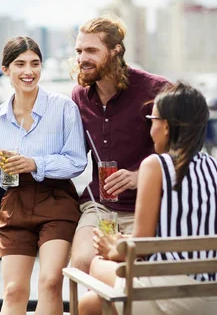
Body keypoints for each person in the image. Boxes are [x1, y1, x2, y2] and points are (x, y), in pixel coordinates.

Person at [78, 81, 217, 315]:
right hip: (212, 301)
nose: (148, 129)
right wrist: (127, 242)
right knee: (91, 304)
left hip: (170, 295)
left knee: (95, 265)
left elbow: (141, 247)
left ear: (165, 127)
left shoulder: (156, 165)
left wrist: (113, 248)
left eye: (151, 121)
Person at [0, 36, 87, 314]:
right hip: (15, 202)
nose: (28, 71)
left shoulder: (64, 107)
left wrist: (35, 164)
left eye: (35, 63)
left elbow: (77, 162)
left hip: (56, 200)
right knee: (13, 290)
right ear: (6, 70)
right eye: (19, 64)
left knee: (50, 281)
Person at [70, 16, 170, 273]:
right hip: (100, 205)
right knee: (82, 262)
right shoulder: (79, 96)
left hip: (145, 205)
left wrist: (140, 177)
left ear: (116, 51)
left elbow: (181, 154)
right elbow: (72, 154)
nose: (82, 58)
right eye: (79, 51)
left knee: (130, 269)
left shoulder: (157, 91)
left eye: (92, 50)